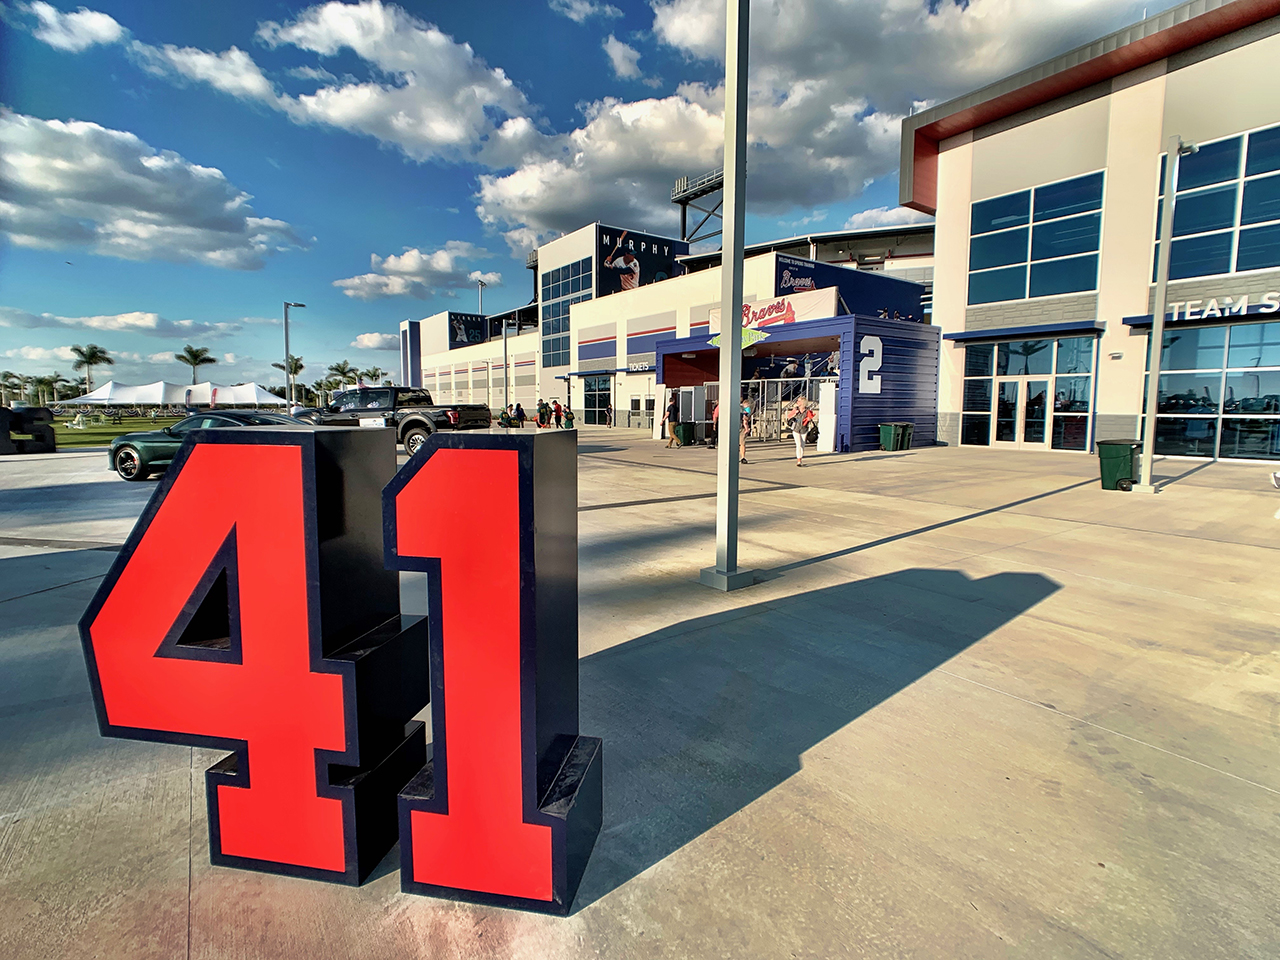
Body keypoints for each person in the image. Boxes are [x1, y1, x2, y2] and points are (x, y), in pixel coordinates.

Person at [785, 396, 815, 466]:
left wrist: (809, 419)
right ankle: (799, 460)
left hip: (804, 429)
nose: (797, 402)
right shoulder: (796, 409)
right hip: (796, 428)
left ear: (803, 402)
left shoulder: (807, 410)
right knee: (798, 444)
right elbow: (789, 416)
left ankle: (800, 458)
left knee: (802, 445)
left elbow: (810, 417)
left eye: (799, 401)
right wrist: (795, 413)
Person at [739, 398, 751, 463]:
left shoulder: (744, 409)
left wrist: (746, 418)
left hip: (742, 427)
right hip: (734, 426)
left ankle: (743, 457)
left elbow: (747, 417)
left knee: (742, 443)